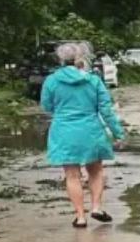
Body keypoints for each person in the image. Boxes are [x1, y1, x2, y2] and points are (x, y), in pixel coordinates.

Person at [40, 42, 126, 228]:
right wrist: (118, 133)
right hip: (91, 131)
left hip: (64, 131)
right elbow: (106, 110)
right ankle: (96, 207)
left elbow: (46, 106)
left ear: (61, 59)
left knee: (72, 176)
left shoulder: (52, 81)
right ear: (81, 58)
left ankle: (80, 217)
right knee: (95, 171)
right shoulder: (93, 80)